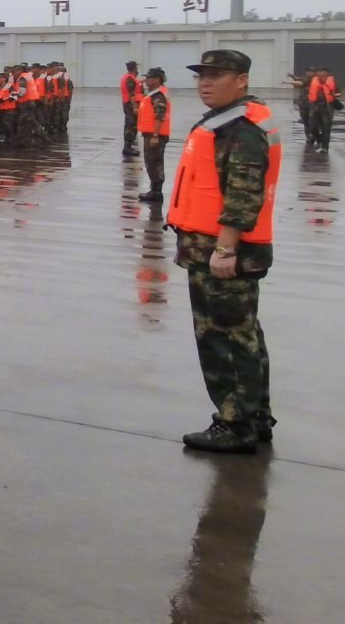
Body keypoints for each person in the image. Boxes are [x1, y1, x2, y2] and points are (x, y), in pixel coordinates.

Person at [166, 49, 281, 454]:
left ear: (242, 80)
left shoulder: (240, 127)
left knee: (223, 340)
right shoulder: (230, 120)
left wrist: (225, 248)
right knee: (244, 336)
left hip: (223, 252)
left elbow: (243, 193)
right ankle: (255, 416)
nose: (205, 83)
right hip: (213, 248)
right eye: (202, 76)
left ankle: (234, 424)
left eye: (217, 75)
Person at [136, 67, 171, 202]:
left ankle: (156, 191)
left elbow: (159, 116)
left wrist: (155, 135)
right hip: (151, 133)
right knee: (152, 162)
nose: (146, 80)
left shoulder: (158, 95)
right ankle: (155, 189)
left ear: (156, 80)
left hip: (155, 134)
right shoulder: (154, 93)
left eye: (149, 78)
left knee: (154, 163)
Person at [306, 66, 339, 153]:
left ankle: (325, 147)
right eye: (320, 73)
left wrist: (334, 94)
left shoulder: (332, 81)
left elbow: (339, 92)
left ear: (327, 74)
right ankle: (319, 139)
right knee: (312, 126)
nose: (321, 75)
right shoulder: (313, 80)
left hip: (327, 108)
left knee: (326, 128)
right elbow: (307, 88)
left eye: (323, 73)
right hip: (315, 107)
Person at [120, 61, 143, 157]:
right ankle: (127, 147)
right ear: (134, 68)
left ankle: (128, 146)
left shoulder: (129, 77)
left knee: (129, 125)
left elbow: (136, 86)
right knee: (131, 126)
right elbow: (132, 94)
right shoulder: (130, 79)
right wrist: (135, 107)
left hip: (128, 104)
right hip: (130, 105)